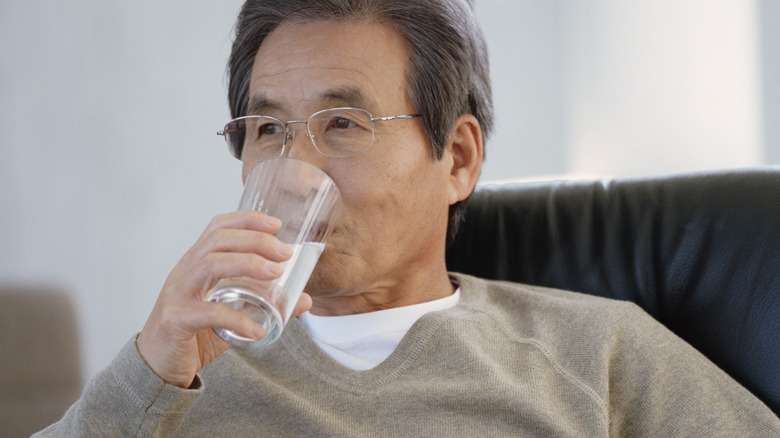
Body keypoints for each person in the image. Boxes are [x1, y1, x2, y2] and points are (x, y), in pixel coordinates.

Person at [37, 0, 780, 436]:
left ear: (456, 157)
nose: (299, 170)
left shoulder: (598, 352)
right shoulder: (172, 381)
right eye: (268, 130)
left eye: (344, 124)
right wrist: (148, 367)